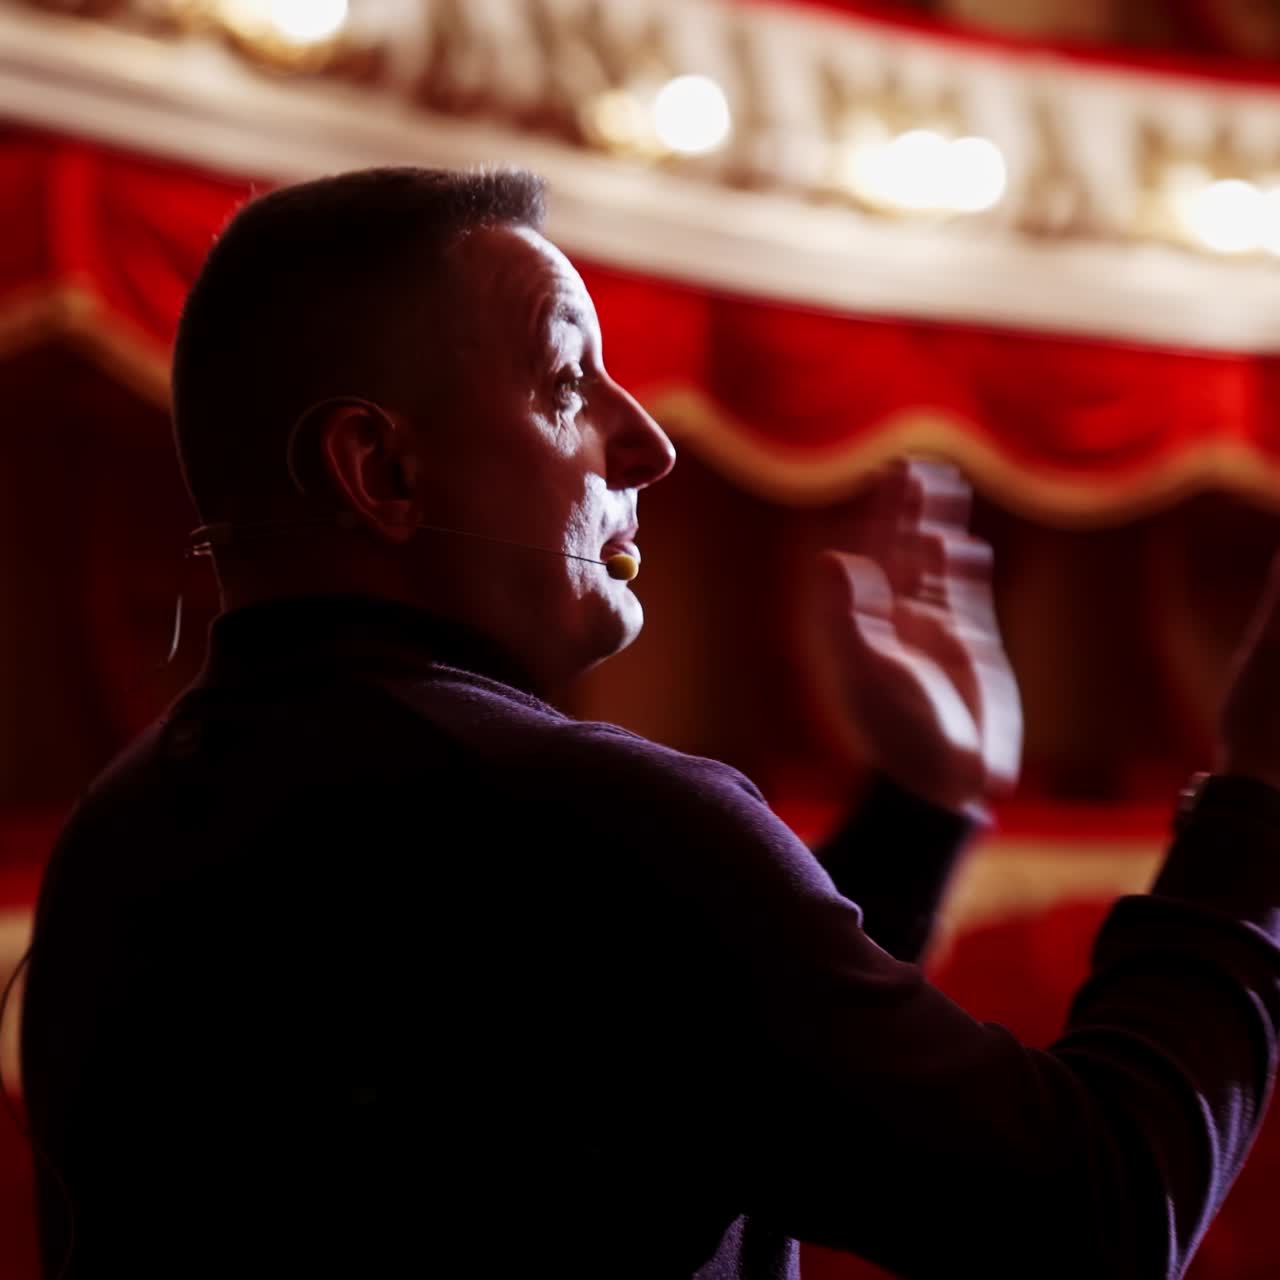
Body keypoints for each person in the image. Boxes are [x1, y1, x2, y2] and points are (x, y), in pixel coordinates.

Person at [18, 167, 1280, 1280]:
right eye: (570, 382)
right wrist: (1254, 802)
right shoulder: (584, 819)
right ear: (384, 471)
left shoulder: (123, 831)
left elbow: (631, 1059)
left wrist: (919, 805)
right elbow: (1099, 1214)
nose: (649, 443)